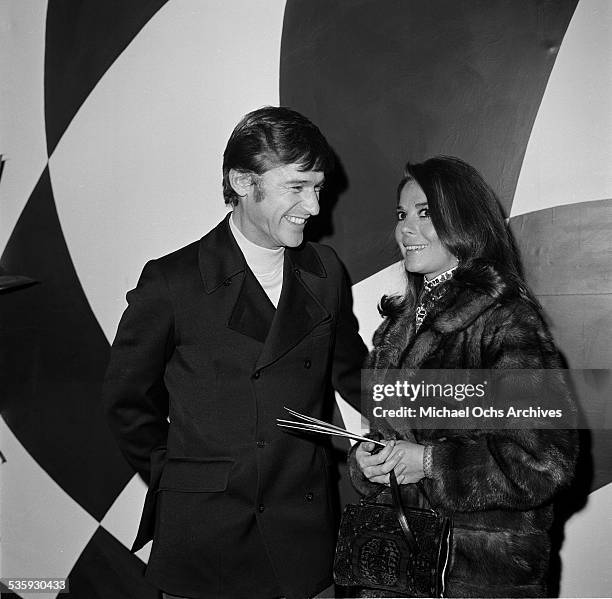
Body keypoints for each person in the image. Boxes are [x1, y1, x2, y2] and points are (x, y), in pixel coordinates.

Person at [103, 106, 368, 599]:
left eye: (318, 188)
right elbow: (126, 402)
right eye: (297, 187)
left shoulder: (325, 270)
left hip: (303, 533)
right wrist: (185, 481)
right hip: (206, 541)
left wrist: (449, 419)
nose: (313, 206)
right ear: (243, 181)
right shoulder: (172, 281)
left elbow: (356, 376)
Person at [349, 156, 578, 598]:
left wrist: (431, 463)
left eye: (425, 214)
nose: (406, 229)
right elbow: (387, 436)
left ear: (464, 221)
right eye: (402, 215)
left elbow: (543, 461)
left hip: (478, 578)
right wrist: (369, 460)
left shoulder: (505, 322)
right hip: (399, 568)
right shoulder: (396, 328)